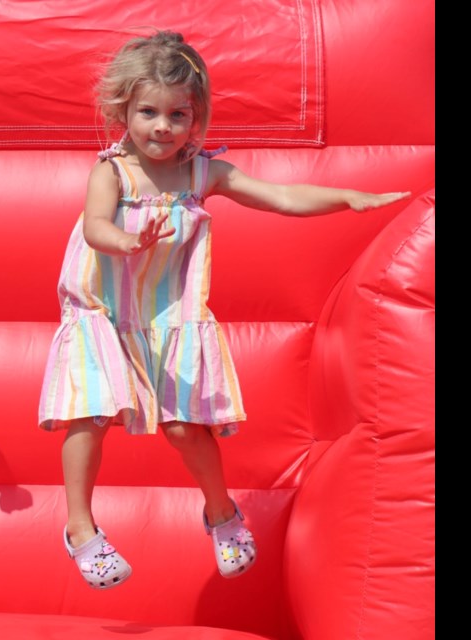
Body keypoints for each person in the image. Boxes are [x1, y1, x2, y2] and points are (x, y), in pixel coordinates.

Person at [37, 31, 410, 588]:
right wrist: (126, 242)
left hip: (167, 319)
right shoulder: (112, 172)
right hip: (105, 313)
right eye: (148, 112)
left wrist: (346, 198)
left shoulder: (200, 174)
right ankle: (81, 528)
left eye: (177, 114)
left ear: (196, 118)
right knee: (89, 415)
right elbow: (94, 227)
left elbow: (279, 196)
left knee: (188, 429)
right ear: (122, 111)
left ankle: (220, 513)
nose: (162, 127)